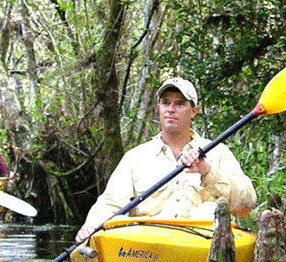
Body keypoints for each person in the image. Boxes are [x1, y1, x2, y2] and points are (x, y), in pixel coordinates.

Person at [74, 77, 257, 242]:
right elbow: (111, 202)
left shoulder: (218, 152)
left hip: (200, 244)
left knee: (208, 210)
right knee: (117, 221)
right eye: (165, 103)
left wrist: (206, 171)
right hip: (149, 247)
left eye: (179, 104)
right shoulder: (135, 157)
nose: (170, 109)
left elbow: (246, 205)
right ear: (158, 108)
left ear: (193, 111)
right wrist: (91, 225)